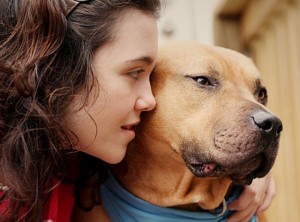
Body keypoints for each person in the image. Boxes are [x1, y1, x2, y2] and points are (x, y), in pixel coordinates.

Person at [0, 0, 275, 221]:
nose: (149, 99)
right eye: (134, 73)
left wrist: (251, 160)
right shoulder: (76, 160)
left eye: (259, 94)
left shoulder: (84, 157)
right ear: (60, 72)